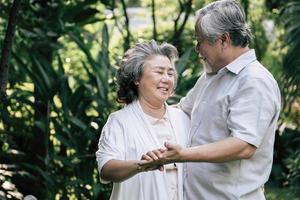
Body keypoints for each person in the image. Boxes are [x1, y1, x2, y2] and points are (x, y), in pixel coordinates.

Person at [141, 0, 281, 199]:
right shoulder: (211, 76)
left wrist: (183, 155)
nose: (197, 49)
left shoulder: (254, 81)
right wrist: (138, 114)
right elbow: (181, 110)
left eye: (200, 41)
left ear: (223, 40)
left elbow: (243, 145)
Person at [95, 40, 190, 200]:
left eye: (170, 73)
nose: (166, 79)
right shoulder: (119, 121)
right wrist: (141, 165)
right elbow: (106, 169)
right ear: (137, 78)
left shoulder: (182, 118)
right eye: (159, 72)